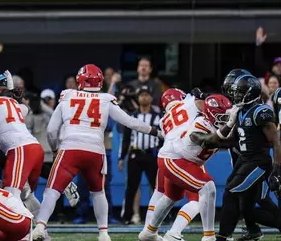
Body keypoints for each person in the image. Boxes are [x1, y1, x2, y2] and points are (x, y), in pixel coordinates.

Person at [33, 64, 159, 241]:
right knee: (98, 192)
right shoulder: (106, 99)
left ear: (79, 80)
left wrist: (55, 149)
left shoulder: (67, 96)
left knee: (52, 190)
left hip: (70, 148)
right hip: (95, 150)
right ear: (99, 81)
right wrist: (154, 131)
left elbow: (52, 130)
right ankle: (103, 233)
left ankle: (40, 226)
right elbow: (130, 122)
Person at [197, 71, 281, 241]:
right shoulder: (241, 112)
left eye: (238, 93)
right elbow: (231, 140)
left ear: (249, 93)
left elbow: (276, 141)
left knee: (232, 192)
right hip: (246, 161)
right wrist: (205, 139)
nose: (235, 96)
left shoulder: (260, 111)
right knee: (246, 208)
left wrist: (277, 170)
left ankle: (222, 236)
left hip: (258, 162)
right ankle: (252, 230)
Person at [139, 94, 230, 241]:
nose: (225, 118)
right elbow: (210, 140)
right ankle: (209, 237)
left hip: (177, 155)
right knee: (208, 187)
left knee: (171, 197)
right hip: (177, 158)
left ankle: (149, 232)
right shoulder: (200, 121)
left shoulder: (166, 119)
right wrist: (230, 126)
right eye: (222, 115)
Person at [141, 88, 202, 240]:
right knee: (199, 199)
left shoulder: (164, 119)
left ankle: (148, 230)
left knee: (161, 193)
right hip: (186, 156)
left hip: (166, 157)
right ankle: (175, 233)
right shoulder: (188, 104)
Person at [119, 88, 161, 225]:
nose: (143, 98)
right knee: (132, 186)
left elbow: (163, 137)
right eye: (141, 95)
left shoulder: (158, 116)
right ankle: (128, 216)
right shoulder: (132, 116)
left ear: (150, 98)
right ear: (138, 98)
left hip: (152, 154)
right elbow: (125, 138)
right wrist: (121, 157)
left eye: (146, 95)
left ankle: (159, 216)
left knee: (156, 186)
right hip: (135, 154)